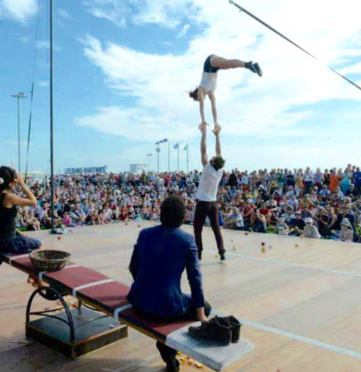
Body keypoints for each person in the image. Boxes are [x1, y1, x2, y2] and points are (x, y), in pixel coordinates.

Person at [128, 196, 211, 372]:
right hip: (166, 307)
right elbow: (195, 279)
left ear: (161, 214)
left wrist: (146, 285)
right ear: (182, 218)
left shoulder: (144, 234)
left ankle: (168, 350)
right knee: (205, 307)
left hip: (138, 301)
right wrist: (201, 315)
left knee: (179, 301)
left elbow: (132, 267)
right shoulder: (187, 240)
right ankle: (169, 349)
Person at [0, 167, 42, 267]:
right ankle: (34, 274)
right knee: (39, 244)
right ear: (10, 183)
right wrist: (22, 184)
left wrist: (20, 233)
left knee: (24, 237)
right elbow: (33, 201)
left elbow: (5, 222)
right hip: (6, 242)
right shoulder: (9, 197)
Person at [189, 55, 262, 129]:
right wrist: (215, 123)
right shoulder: (210, 92)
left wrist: (203, 119)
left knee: (228, 63)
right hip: (214, 70)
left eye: (198, 99)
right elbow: (213, 107)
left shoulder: (201, 89)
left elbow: (202, 106)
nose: (201, 100)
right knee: (231, 65)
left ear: (197, 95)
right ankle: (251, 65)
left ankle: (247, 64)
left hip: (209, 63)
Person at [193, 123, 226, 261]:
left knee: (197, 228)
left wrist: (203, 134)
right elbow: (219, 152)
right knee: (216, 228)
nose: (211, 157)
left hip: (203, 203)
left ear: (212, 163)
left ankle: (199, 252)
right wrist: (217, 136)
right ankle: (222, 251)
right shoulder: (219, 171)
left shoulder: (207, 169)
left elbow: (203, 150)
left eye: (212, 159)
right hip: (213, 202)